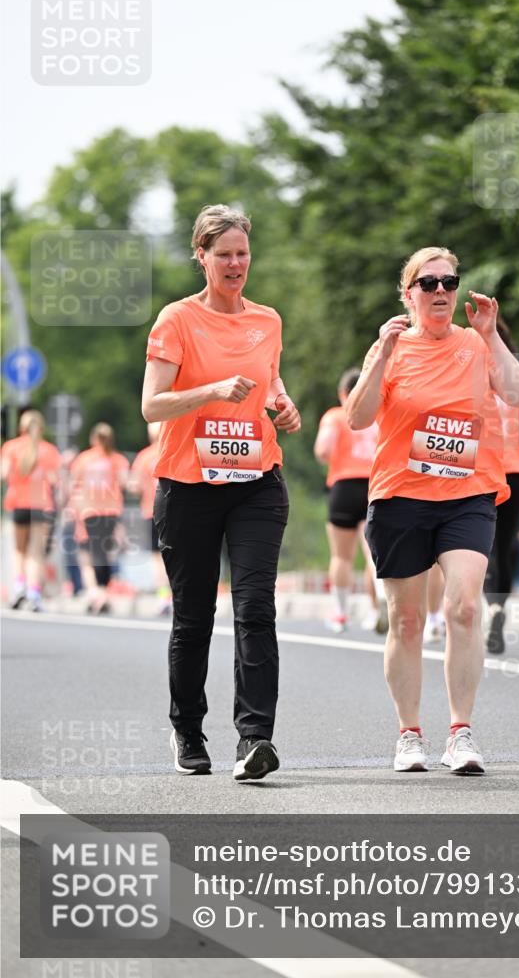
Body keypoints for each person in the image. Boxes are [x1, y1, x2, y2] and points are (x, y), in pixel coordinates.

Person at [345, 245, 519, 774]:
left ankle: (461, 732)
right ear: (408, 295)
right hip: (401, 495)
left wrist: (493, 334)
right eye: (428, 284)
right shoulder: (389, 348)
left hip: (467, 494)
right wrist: (379, 358)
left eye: (449, 282)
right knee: (407, 620)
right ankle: (409, 733)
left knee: (464, 608)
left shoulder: (475, 344)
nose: (441, 292)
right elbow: (358, 419)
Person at [141, 203, 300, 781]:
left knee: (255, 607)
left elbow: (269, 377)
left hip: (257, 481)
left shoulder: (268, 320)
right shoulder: (176, 320)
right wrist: (210, 390)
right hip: (189, 486)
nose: (236, 264)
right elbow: (151, 404)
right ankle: (188, 730)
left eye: (243, 254)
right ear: (201, 255)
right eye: (224, 254)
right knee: (195, 617)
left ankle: (255, 738)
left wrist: (283, 404)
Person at [314, 368, 385, 634]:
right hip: (375, 485)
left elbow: (323, 449)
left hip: (343, 486)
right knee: (373, 552)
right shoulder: (377, 416)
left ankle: (341, 613)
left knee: (342, 557)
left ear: (343, 394)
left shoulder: (336, 415)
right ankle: (379, 604)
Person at [484, 318, 519, 654]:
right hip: (517, 468)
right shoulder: (517, 376)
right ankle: (500, 607)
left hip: (485, 468)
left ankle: (488, 608)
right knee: (505, 546)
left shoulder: (473, 369)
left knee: (484, 547)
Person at [1, 410, 60, 611]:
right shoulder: (49, 450)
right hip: (41, 505)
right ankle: (34, 594)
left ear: (22, 427)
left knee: (19, 551)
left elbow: (4, 474)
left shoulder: (11, 447)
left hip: (18, 503)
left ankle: (19, 588)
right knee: (36, 553)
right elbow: (54, 480)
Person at [69, 423, 129, 615]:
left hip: (89, 510)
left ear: (93, 438)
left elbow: (74, 486)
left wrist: (74, 509)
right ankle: (101, 593)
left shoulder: (83, 459)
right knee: (103, 552)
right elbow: (125, 483)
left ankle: (98, 593)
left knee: (93, 553)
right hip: (111, 510)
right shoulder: (117, 459)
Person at [128, 422, 171, 615]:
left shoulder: (144, 456)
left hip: (151, 511)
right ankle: (180, 595)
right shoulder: (173, 449)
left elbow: (134, 486)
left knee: (157, 557)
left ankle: (164, 597)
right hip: (177, 509)